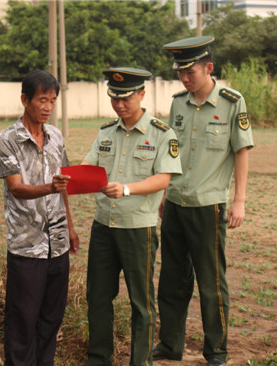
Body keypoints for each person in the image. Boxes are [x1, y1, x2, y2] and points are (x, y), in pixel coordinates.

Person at [153, 36, 254, 366]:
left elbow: (241, 151)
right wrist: (164, 195)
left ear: (209, 68)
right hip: (176, 204)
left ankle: (217, 352)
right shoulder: (178, 103)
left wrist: (239, 201)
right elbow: (171, 154)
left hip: (208, 207)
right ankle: (170, 344)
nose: (185, 78)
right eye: (180, 73)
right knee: (171, 280)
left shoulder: (231, 102)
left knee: (211, 284)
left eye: (191, 72)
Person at [82, 67, 182, 366]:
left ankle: (140, 362)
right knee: (98, 297)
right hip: (103, 227)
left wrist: (126, 189)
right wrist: (70, 178)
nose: (119, 104)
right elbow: (89, 167)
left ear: (142, 94)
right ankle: (99, 358)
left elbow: (164, 179)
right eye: (114, 98)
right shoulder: (105, 132)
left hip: (138, 229)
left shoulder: (162, 134)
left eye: (125, 98)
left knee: (141, 301)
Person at [0, 70, 80, 366]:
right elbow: (16, 188)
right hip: (26, 246)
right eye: (42, 100)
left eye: (52, 101)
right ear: (25, 99)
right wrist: (50, 187)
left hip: (57, 245)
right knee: (22, 320)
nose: (47, 107)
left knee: (50, 318)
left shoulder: (55, 135)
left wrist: (70, 226)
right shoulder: (8, 140)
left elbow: (64, 185)